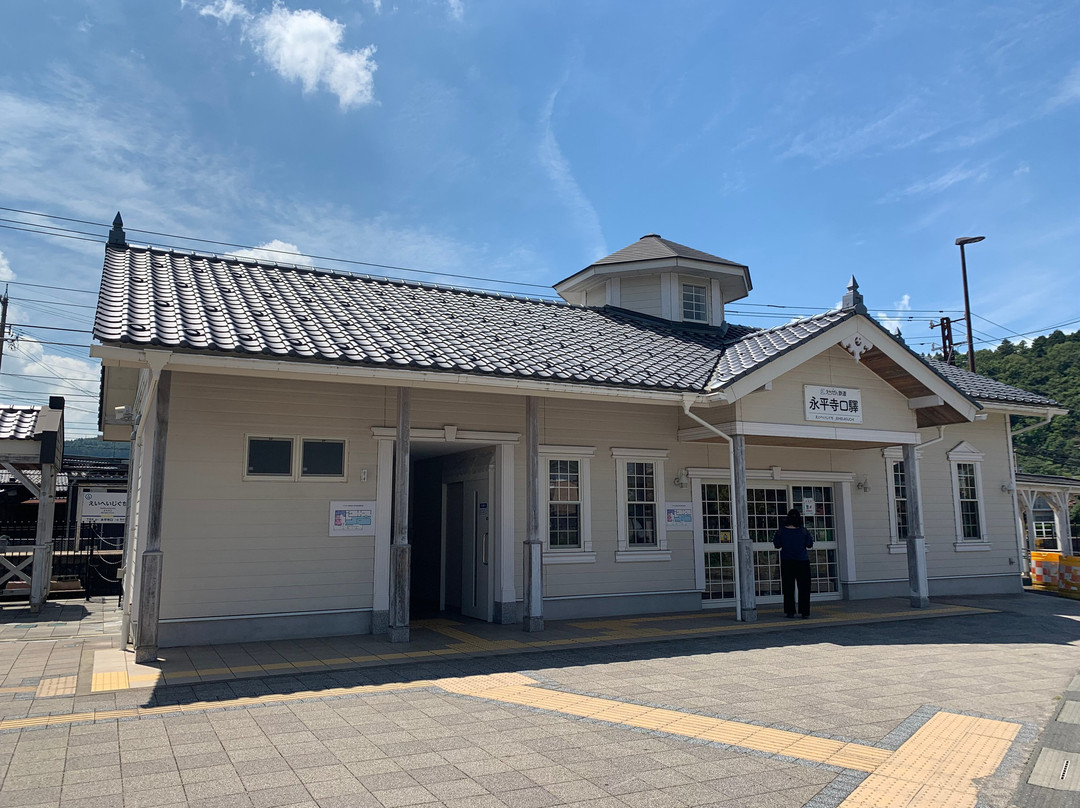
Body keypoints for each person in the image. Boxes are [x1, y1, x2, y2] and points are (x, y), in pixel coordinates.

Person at [773, 508, 814, 619]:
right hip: (802, 562)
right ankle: (805, 612)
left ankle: (790, 611)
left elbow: (777, 544)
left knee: (788, 587)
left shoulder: (781, 531)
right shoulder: (803, 531)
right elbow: (809, 544)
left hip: (787, 562)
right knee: (804, 588)